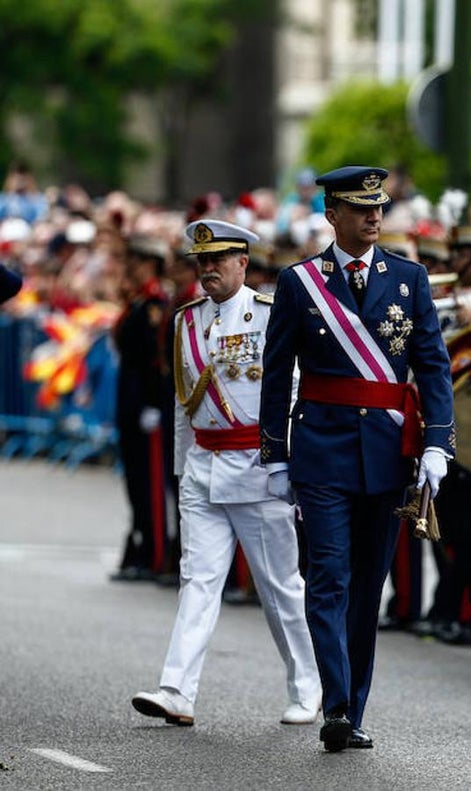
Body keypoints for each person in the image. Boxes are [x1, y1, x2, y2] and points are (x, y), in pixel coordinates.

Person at [259, 166, 454, 752]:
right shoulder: (300, 283)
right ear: (332, 215)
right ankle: (337, 707)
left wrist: (438, 443)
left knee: (368, 587)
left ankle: (356, 706)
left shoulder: (409, 278)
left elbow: (433, 365)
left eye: (380, 208)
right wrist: (274, 453)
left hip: (387, 452)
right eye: (359, 208)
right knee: (329, 578)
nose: (374, 217)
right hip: (321, 450)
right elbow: (275, 373)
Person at [131, 220, 321, 727]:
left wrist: (289, 464)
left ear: (244, 263)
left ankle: (308, 687)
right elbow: (182, 404)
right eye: (201, 262)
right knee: (198, 581)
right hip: (202, 468)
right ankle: (177, 690)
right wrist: (179, 470)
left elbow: (294, 392)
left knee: (279, 585)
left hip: (259, 468)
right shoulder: (186, 321)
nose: (208, 269)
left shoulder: (269, 315)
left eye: (219, 260)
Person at [110, 234, 175, 582]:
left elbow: (155, 360)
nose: (129, 268)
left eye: (134, 262)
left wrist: (152, 403)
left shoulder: (153, 303)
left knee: (150, 482)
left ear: (149, 264)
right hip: (129, 400)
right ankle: (141, 545)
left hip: (144, 402)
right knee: (136, 480)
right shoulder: (137, 301)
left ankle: (154, 552)